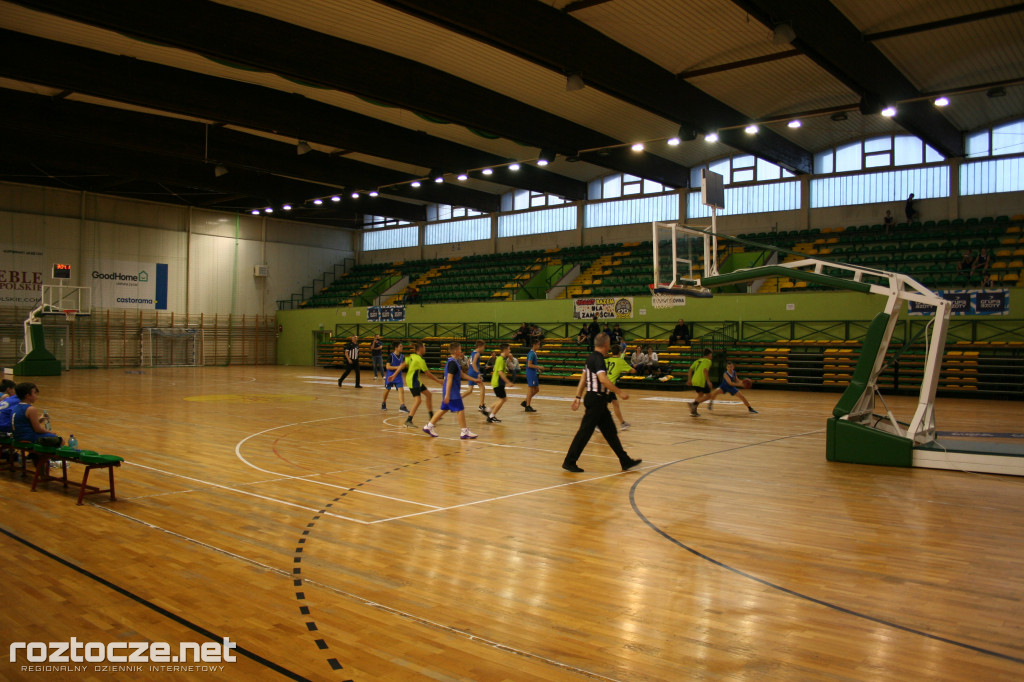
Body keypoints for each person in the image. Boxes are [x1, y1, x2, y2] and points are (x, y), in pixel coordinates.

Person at [562, 333, 642, 473]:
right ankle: (569, 461)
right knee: (585, 432)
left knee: (610, 432)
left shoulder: (591, 357)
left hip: (596, 400)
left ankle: (625, 461)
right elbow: (603, 379)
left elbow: (583, 377)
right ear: (606, 344)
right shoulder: (598, 359)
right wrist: (619, 392)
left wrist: (578, 396)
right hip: (596, 399)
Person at [423, 342, 479, 440]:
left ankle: (429, 426)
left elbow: (462, 374)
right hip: (452, 391)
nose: (461, 351)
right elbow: (449, 379)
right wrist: (447, 395)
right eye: (460, 349)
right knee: (460, 409)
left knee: (444, 409)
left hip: (450, 391)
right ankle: (464, 431)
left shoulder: (454, 362)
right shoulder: (452, 363)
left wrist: (475, 380)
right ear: (456, 351)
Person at [388, 342, 439, 427]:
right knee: (418, 400)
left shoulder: (412, 356)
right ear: (421, 349)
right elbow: (428, 374)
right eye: (424, 347)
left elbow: (402, 365)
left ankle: (431, 416)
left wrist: (394, 375)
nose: (425, 349)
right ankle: (408, 420)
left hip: (416, 381)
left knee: (428, 395)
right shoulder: (420, 360)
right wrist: (438, 381)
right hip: (413, 381)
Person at [604, 343, 636, 430]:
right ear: (619, 352)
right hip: (609, 386)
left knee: (615, 404)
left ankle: (622, 423)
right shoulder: (620, 361)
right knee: (604, 406)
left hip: (605, 384)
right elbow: (633, 371)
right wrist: (631, 367)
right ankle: (598, 425)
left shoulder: (607, 360)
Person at [486, 343, 514, 423]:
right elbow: (500, 372)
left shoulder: (501, 359)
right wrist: (508, 382)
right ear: (505, 350)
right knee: (503, 399)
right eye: (508, 349)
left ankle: (487, 410)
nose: (510, 350)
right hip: (498, 382)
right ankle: (491, 416)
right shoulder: (500, 359)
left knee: (502, 399)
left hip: (497, 382)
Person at [381, 342, 409, 413]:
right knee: (387, 390)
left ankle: (402, 406)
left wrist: (402, 366)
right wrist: (398, 367)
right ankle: (383, 402)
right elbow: (387, 367)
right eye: (400, 346)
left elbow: (402, 366)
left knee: (401, 390)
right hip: (390, 375)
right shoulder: (391, 356)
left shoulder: (402, 356)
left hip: (398, 376)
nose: (402, 347)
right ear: (396, 348)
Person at [687, 349, 715, 417]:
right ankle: (694, 404)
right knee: (709, 396)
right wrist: (708, 381)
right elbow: (705, 370)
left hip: (694, 380)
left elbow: (690, 370)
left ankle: (693, 412)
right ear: (709, 355)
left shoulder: (697, 361)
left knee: (700, 395)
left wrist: (689, 380)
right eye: (711, 355)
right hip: (701, 380)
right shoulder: (708, 361)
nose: (712, 356)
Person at [466, 340, 488, 414]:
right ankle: (481, 405)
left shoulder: (473, 352)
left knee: (469, 390)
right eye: (483, 347)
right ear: (479, 347)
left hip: (471, 372)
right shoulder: (477, 354)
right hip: (475, 373)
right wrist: (478, 373)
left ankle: (456, 401)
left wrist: (470, 369)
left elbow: (468, 362)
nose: (484, 348)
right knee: (482, 388)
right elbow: (474, 364)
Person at [522, 339, 542, 412]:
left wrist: (537, 369)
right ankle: (527, 406)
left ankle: (525, 401)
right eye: (538, 344)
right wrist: (538, 367)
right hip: (531, 373)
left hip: (533, 372)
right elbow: (529, 364)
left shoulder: (534, 353)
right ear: (534, 345)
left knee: (537, 389)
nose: (539, 346)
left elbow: (533, 364)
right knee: (530, 389)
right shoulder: (531, 354)